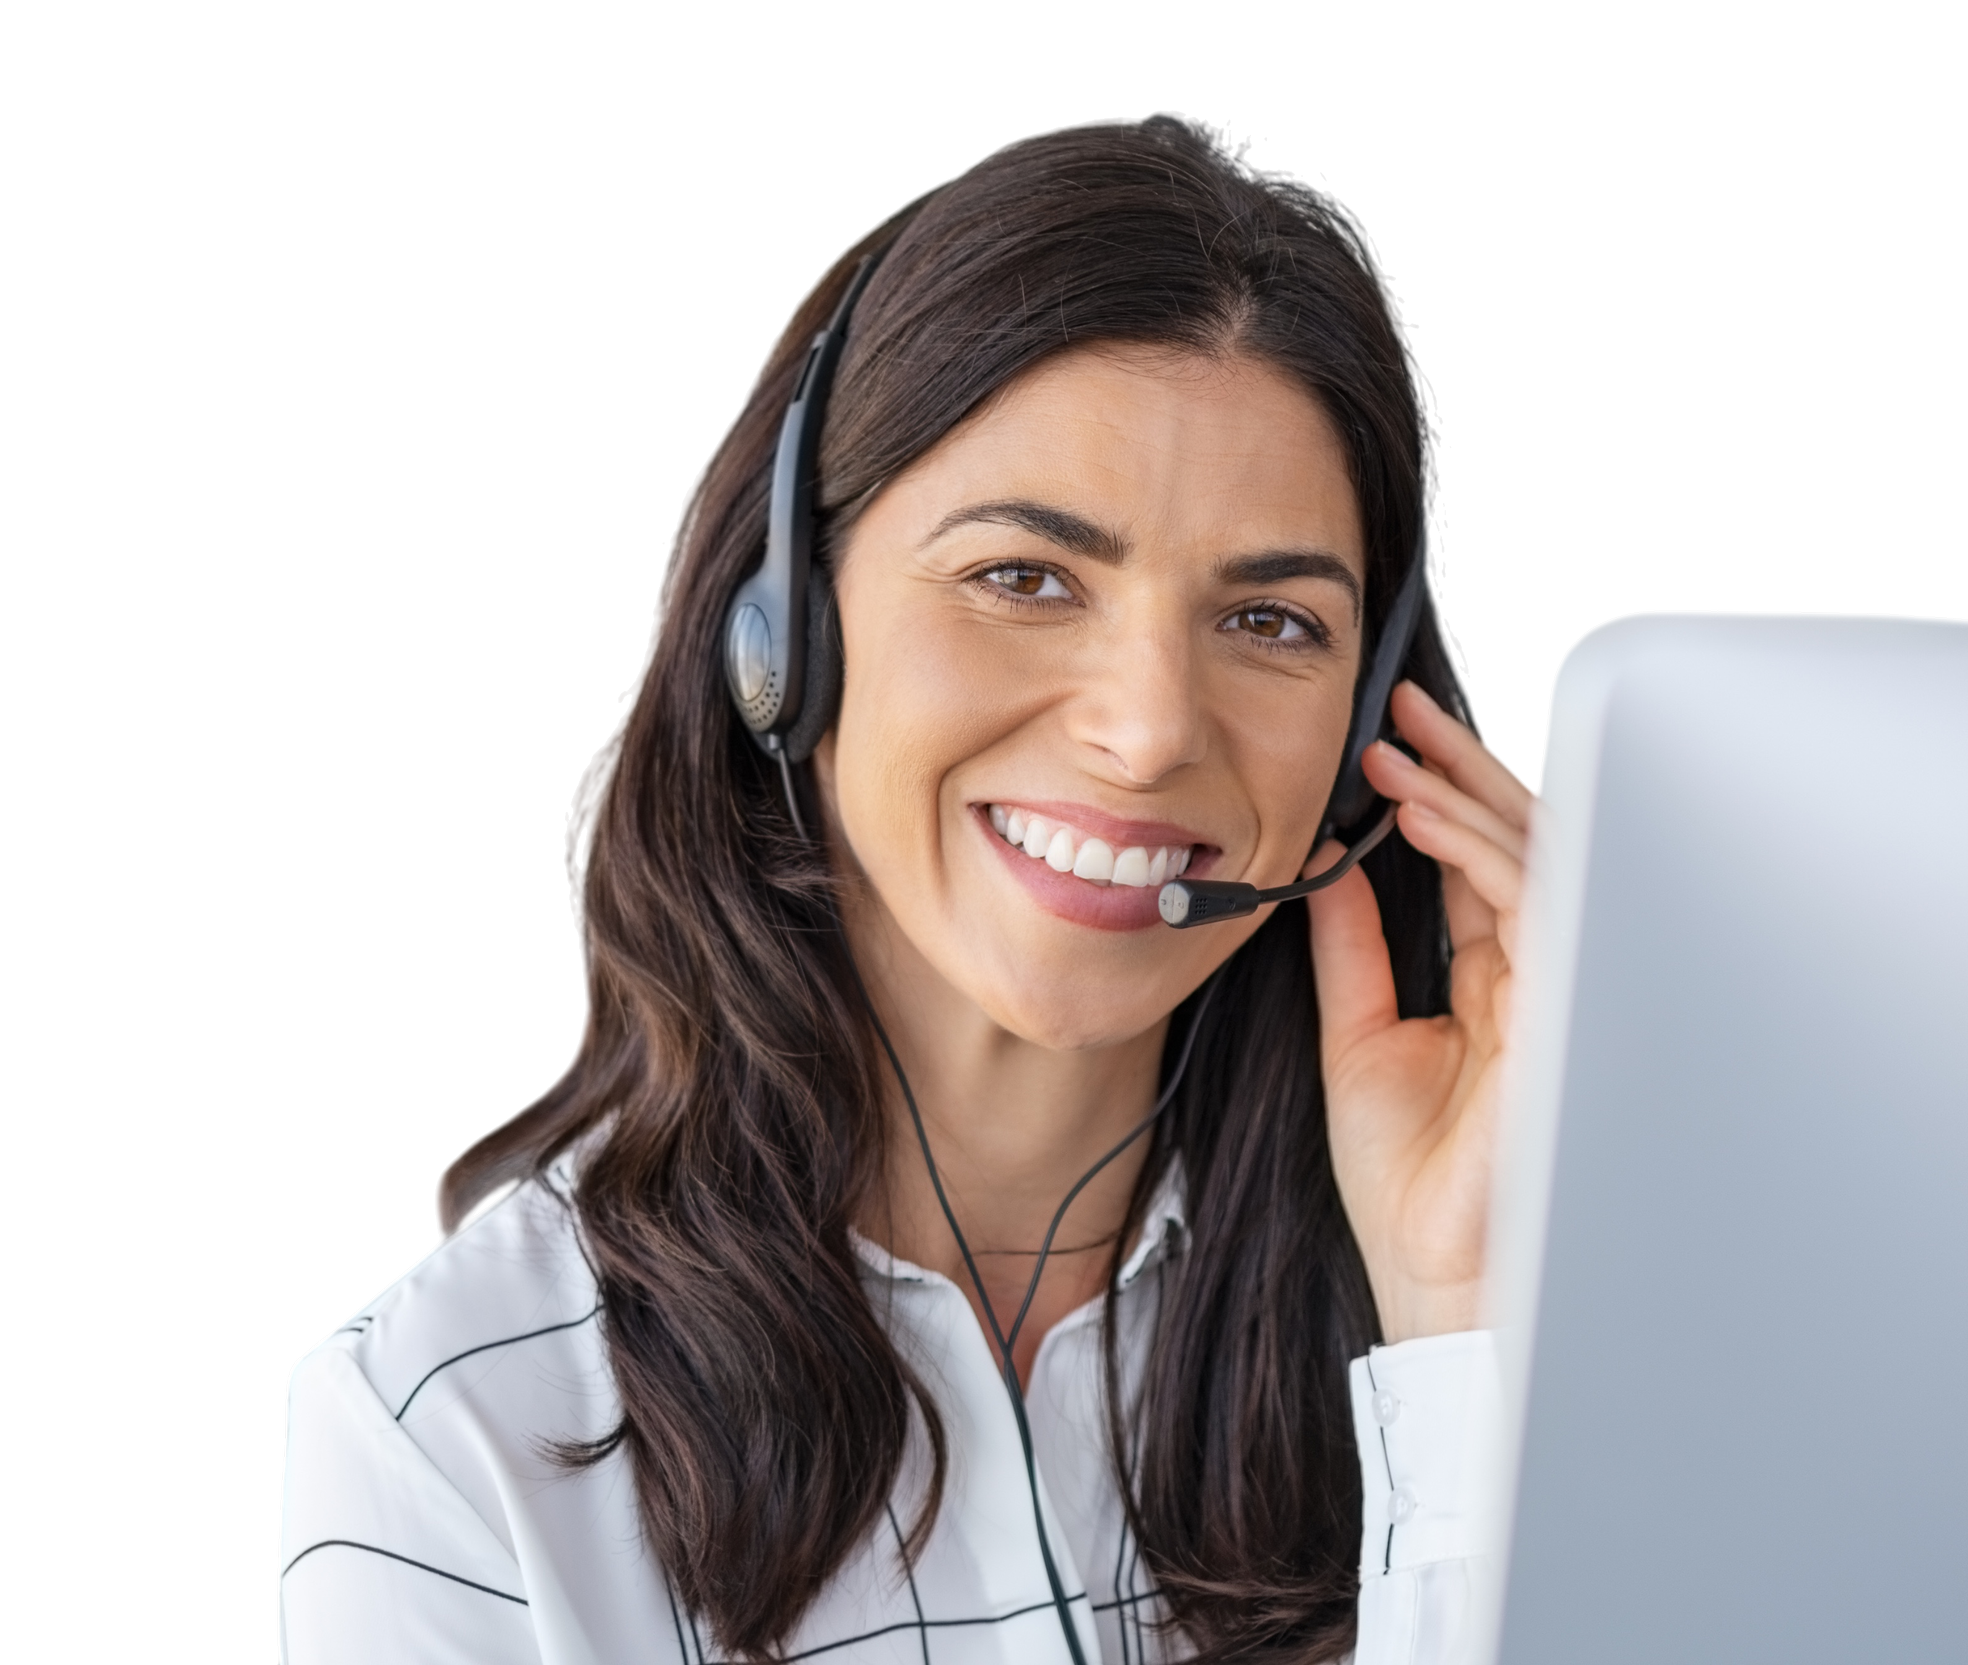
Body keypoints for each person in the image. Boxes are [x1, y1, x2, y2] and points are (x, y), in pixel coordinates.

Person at [279, 113, 1534, 1664]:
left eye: (1271, 619)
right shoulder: (450, 1425)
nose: (1147, 734)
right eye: (1025, 577)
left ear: (1362, 741)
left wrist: (1460, 1318)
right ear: (786, 635)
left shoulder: (1497, 1330)